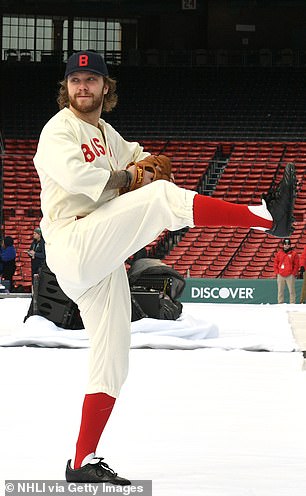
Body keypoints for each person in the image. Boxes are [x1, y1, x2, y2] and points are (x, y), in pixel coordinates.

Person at [33, 50, 296, 485]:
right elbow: (87, 180)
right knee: (159, 199)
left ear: (105, 88)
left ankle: (82, 461)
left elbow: (144, 157)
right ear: (66, 88)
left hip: (101, 259)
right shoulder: (58, 130)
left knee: (113, 358)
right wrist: (136, 177)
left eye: (91, 79)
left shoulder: (104, 132)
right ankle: (267, 217)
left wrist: (148, 164)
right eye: (75, 80)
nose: (83, 87)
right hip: (72, 241)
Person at [274, 238, 299, 304]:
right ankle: (280, 303)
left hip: (290, 275)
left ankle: (292, 303)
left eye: (288, 244)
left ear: (290, 245)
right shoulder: (279, 253)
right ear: (283, 245)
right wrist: (277, 272)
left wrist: (293, 273)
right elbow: (275, 263)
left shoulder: (294, 254)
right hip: (281, 274)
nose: (286, 245)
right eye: (285, 244)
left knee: (292, 291)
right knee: (280, 291)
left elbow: (296, 265)